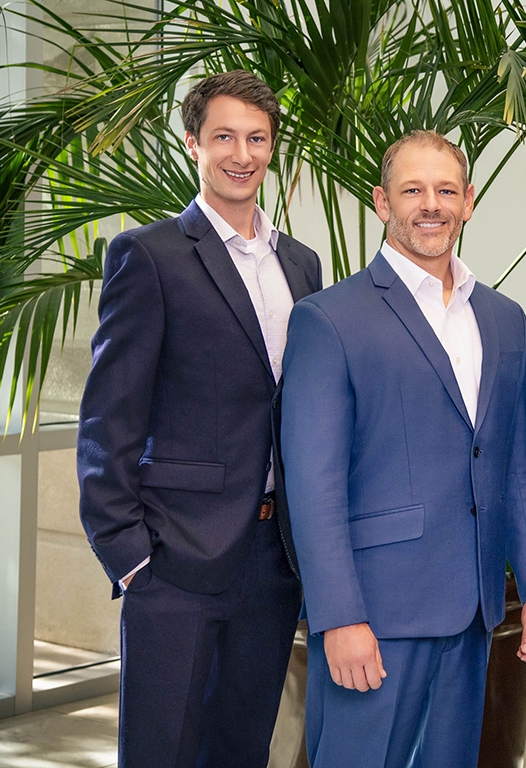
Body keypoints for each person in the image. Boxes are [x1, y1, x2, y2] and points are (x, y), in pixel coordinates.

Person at [278, 129, 526, 768]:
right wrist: (338, 618)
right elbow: (313, 487)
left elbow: (518, 465)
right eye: (412, 190)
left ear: (468, 202)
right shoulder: (328, 319)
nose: (431, 204)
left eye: (446, 190)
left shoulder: (503, 318)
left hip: (474, 613)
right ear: (383, 202)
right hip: (375, 616)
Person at [77, 70, 322, 768]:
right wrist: (129, 557)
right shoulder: (148, 255)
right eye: (224, 137)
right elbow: (108, 420)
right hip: (174, 559)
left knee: (241, 750)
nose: (242, 155)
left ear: (271, 147)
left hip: (275, 561)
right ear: (194, 143)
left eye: (257, 139)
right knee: (161, 752)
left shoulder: (302, 265)